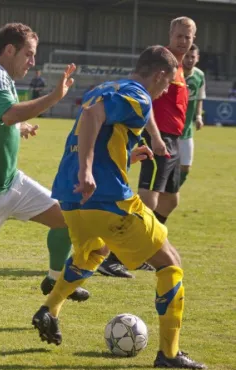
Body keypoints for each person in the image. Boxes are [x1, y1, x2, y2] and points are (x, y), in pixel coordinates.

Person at [32, 45, 206, 370]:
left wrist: (126, 156)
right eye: (166, 85)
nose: (164, 91)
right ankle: (169, 355)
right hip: (105, 197)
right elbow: (91, 116)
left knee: (92, 252)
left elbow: (95, 131)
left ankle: (49, 309)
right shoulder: (138, 96)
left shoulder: (104, 88)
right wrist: (87, 170)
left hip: (72, 198)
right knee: (170, 263)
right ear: (159, 75)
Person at [0, 22, 88, 302]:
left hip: (10, 182)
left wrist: (17, 129)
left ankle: (54, 280)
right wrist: (54, 97)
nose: (33, 61)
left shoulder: (4, 80)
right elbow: (8, 114)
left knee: (65, 219)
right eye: (29, 54)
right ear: (10, 50)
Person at [100, 16, 196, 275]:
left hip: (174, 139)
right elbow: (147, 101)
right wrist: (154, 137)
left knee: (169, 201)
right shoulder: (163, 65)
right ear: (170, 34)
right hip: (160, 136)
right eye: (179, 35)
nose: (183, 41)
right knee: (148, 199)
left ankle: (145, 247)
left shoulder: (180, 69)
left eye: (188, 37)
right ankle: (112, 257)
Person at [179, 44, 206, 186]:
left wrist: (199, 117)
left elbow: (199, 98)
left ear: (197, 58)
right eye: (187, 56)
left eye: (192, 57)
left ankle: (171, 191)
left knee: (185, 167)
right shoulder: (175, 73)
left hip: (187, 130)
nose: (189, 60)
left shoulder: (199, 75)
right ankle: (165, 194)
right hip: (170, 129)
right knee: (165, 167)